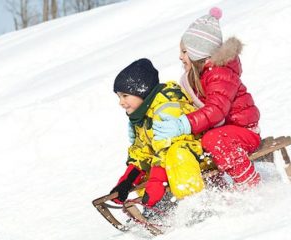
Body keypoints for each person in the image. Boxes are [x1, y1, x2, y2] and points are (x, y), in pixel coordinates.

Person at [153, 7, 262, 188]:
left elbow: (216, 111)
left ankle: (249, 182)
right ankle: (217, 190)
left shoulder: (220, 73)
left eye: (185, 52)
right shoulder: (200, 76)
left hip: (245, 133)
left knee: (212, 140)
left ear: (198, 52)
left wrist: (183, 124)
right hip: (227, 132)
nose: (180, 57)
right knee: (198, 143)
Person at [110, 58, 215, 207]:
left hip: (199, 157)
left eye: (125, 96)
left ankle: (194, 203)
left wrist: (156, 184)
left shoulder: (166, 109)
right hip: (173, 163)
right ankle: (159, 206)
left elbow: (166, 150)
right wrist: (126, 182)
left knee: (175, 153)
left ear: (142, 91)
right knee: (147, 169)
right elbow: (142, 153)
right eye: (119, 97)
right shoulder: (141, 116)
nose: (121, 102)